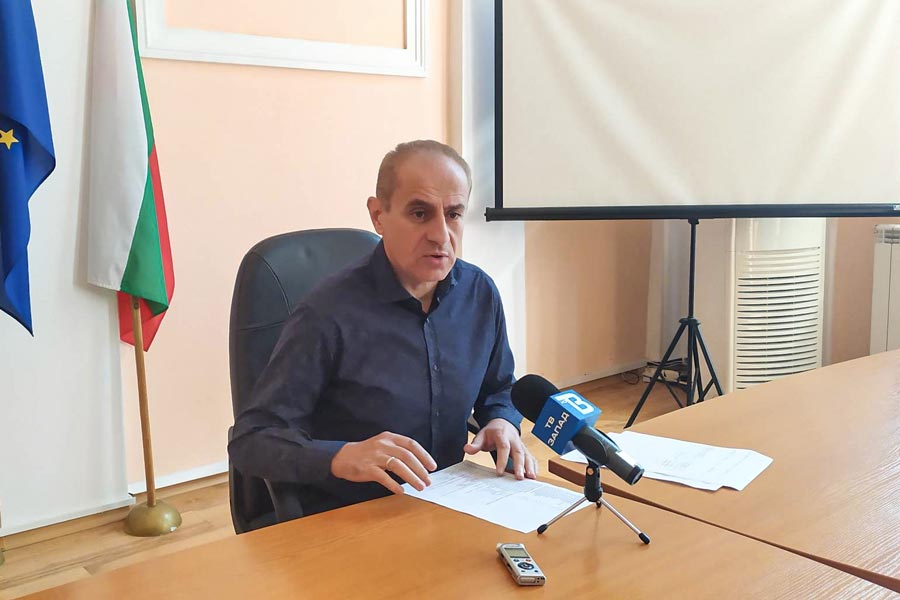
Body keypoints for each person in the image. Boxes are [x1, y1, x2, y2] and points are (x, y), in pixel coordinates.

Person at [228, 140, 536, 518]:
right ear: (378, 215)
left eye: (454, 214)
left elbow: (499, 388)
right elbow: (252, 440)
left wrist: (502, 420)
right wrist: (341, 457)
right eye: (420, 213)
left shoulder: (479, 294)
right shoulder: (326, 313)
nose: (441, 235)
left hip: (450, 503)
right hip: (353, 513)